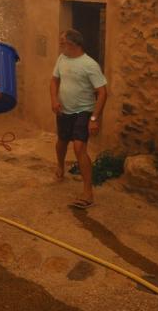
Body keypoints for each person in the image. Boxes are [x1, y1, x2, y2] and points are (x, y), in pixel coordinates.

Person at [50, 29, 108, 209]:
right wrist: (54, 100)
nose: (60, 45)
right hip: (64, 110)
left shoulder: (90, 65)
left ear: (73, 45)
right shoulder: (62, 59)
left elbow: (103, 92)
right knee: (61, 142)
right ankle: (60, 167)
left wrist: (93, 118)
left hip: (84, 111)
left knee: (78, 147)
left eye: (62, 42)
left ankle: (87, 192)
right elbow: (53, 81)